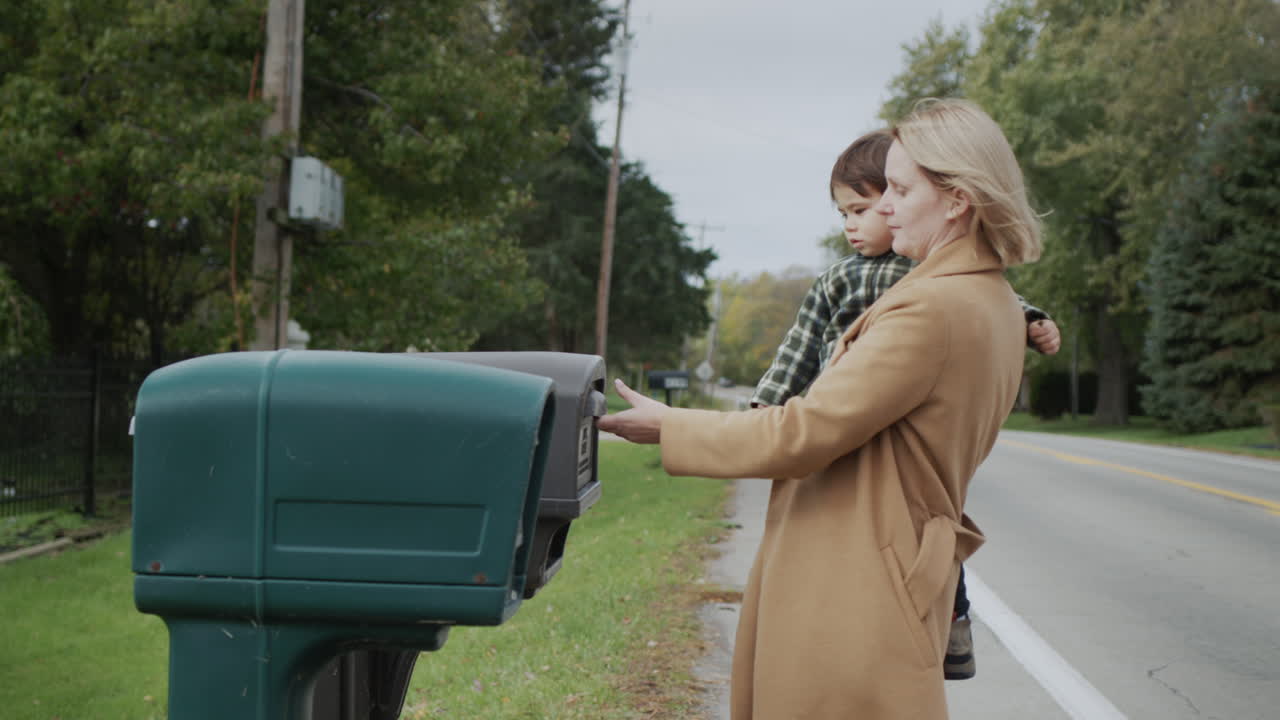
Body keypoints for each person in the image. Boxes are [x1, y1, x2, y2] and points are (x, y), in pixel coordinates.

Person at [598, 97, 1041, 719]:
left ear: (958, 198)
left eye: (899, 189)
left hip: (855, 579)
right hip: (874, 563)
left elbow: (804, 431)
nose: (883, 207)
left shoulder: (933, 310)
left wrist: (669, 426)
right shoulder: (985, 299)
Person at [750, 129, 1061, 682]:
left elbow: (992, 296)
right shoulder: (837, 279)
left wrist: (1032, 319)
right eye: (844, 212)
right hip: (839, 414)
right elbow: (796, 351)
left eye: (866, 208)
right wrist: (763, 409)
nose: (855, 223)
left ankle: (954, 620)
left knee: (925, 530)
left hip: (898, 425)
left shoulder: (930, 273)